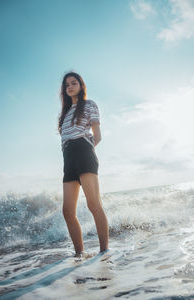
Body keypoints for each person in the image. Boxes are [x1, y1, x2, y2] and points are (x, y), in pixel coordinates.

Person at [58, 71, 109, 257]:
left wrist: (87, 152)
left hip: (84, 153)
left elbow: (98, 135)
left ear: (81, 86)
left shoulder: (89, 105)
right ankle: (79, 254)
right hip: (68, 158)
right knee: (67, 211)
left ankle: (104, 252)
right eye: (67, 84)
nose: (70, 86)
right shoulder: (63, 115)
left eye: (73, 83)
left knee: (93, 204)